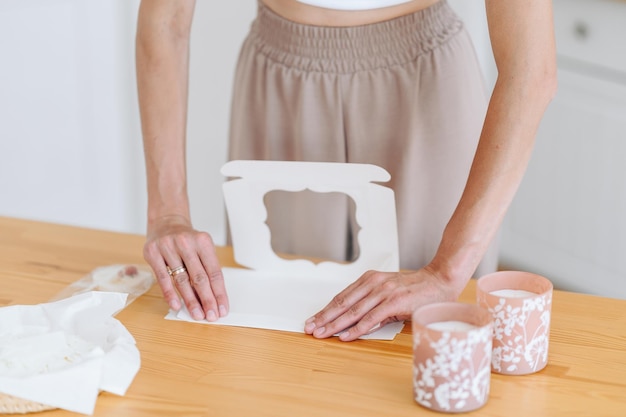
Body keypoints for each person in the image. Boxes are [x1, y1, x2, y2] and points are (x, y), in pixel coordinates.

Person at [135, 0, 557, 341]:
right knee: (276, 336)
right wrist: (167, 211)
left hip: (425, 90)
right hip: (280, 85)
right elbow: (166, 20)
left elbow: (530, 67)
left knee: (428, 342)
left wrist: (445, 271)